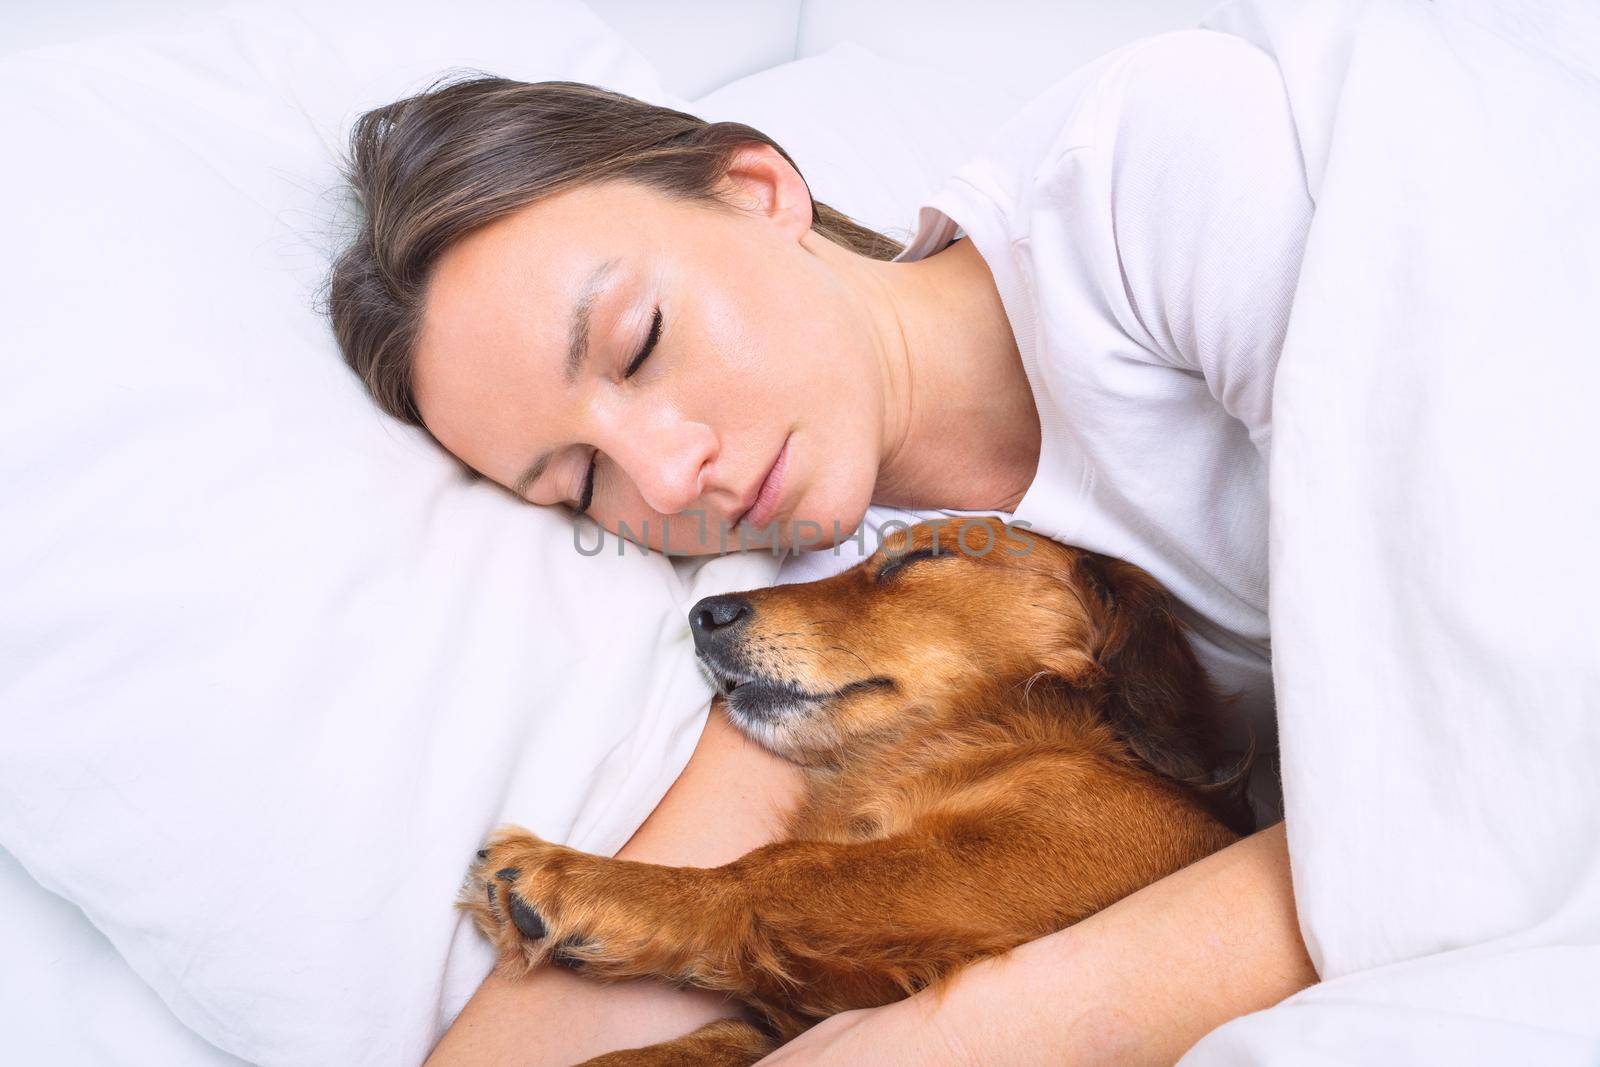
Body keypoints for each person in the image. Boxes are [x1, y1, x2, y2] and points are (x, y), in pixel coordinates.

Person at [328, 28, 1318, 1065]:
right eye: (582, 483)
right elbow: (611, 945)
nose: (666, 478)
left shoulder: (1144, 188)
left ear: (757, 189)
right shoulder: (801, 597)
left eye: (642, 342)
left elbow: (1455, 787)